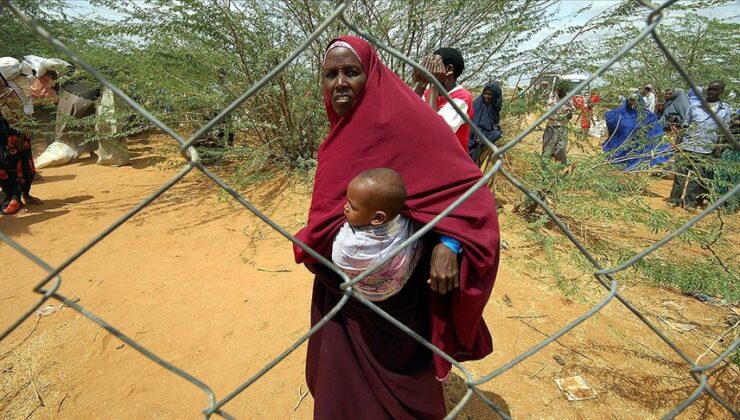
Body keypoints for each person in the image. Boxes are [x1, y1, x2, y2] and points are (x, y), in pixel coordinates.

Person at [295, 36, 500, 418]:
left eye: (351, 72)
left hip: (404, 295)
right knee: (345, 383)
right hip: (342, 291)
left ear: (371, 74)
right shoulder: (337, 139)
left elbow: (468, 192)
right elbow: (324, 218)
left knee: (406, 384)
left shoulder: (413, 123)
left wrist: (451, 244)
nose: (340, 82)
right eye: (330, 74)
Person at [332, 168, 423, 302]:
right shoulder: (406, 223)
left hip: (366, 296)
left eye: (352, 206)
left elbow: (337, 259)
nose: (345, 207)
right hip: (401, 288)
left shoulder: (348, 244)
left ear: (378, 218)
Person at [667, 81, 733, 210]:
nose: (711, 92)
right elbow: (684, 126)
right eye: (710, 89)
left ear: (721, 92)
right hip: (687, 146)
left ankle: (689, 202)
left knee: (697, 178)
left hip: (706, 148)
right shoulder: (695, 107)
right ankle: (674, 199)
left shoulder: (725, 110)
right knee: (680, 175)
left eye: (715, 90)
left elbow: (724, 132)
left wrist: (718, 148)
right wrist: (677, 144)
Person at [412, 47, 473, 152]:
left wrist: (434, 83)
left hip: (450, 160)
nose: (428, 69)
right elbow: (405, 113)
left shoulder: (462, 98)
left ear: (449, 69)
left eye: (433, 66)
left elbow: (433, 130)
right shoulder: (426, 93)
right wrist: (421, 85)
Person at [0, 73, 41, 215]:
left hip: (17, 136)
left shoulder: (8, 93)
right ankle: (14, 199)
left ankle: (25, 195)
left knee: (25, 167)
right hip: (3, 142)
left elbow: (21, 116)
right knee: (6, 170)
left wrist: (23, 136)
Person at [603, 93, 671, 171]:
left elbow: (655, 132)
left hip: (638, 146)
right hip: (621, 145)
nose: (633, 103)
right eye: (631, 101)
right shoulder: (618, 114)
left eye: (635, 101)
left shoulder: (648, 116)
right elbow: (612, 129)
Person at [467, 82, 503, 163]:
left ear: (495, 96)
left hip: (483, 145)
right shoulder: (477, 106)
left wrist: (495, 133)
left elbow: (493, 125)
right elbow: (473, 126)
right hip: (471, 142)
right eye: (484, 93)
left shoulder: (494, 110)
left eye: (489, 94)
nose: (486, 96)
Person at [542, 83, 574, 164]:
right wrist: (562, 117)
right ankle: (544, 166)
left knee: (562, 148)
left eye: (565, 90)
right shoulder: (552, 99)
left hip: (563, 127)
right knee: (548, 147)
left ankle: (560, 166)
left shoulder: (568, 99)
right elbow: (549, 114)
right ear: (557, 90)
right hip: (552, 127)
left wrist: (570, 115)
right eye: (562, 90)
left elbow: (572, 110)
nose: (563, 92)